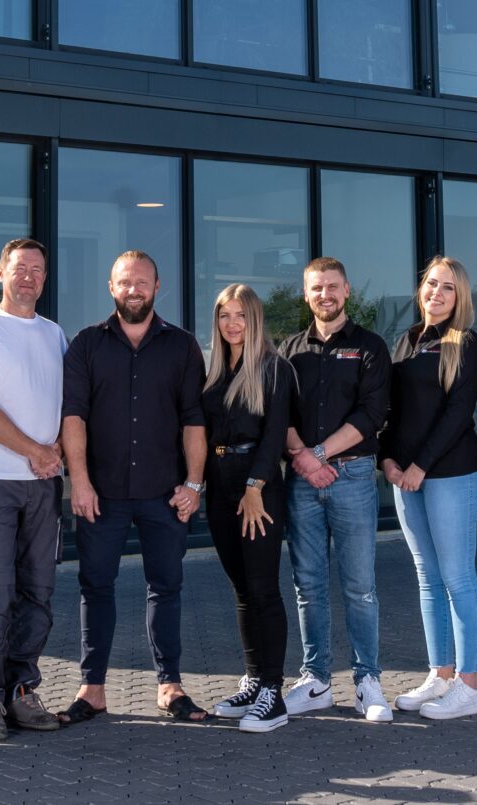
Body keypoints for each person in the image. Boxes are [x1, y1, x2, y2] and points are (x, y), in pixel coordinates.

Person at [60, 250, 211, 724]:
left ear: (157, 286)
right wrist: (79, 483)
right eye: (125, 282)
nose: (133, 290)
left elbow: (194, 420)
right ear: (111, 287)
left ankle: (169, 686)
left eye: (142, 282)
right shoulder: (86, 344)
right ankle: (93, 689)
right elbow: (73, 418)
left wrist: (194, 484)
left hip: (163, 494)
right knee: (95, 587)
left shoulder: (182, 346)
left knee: (166, 587)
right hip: (100, 495)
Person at [0, 238, 68, 740]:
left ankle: (22, 688)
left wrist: (57, 450)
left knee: (39, 592)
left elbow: (67, 404)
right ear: (1, 270)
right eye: (19, 267)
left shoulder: (54, 333)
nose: (28, 277)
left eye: (37, 270)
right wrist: (34, 449)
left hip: (44, 483)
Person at [277, 257, 394, 722]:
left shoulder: (370, 347)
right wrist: (303, 459)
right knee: (308, 586)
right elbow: (279, 415)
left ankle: (367, 681)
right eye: (315, 288)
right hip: (302, 480)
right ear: (306, 295)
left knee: (360, 587)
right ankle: (317, 680)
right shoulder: (290, 349)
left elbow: (372, 415)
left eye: (331, 286)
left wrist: (317, 455)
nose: (324, 295)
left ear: (347, 291)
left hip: (354, 477)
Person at [382, 257, 477, 721]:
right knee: (428, 578)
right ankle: (441, 674)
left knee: (457, 577)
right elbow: (389, 409)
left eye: (448, 288)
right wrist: (386, 458)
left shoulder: (464, 343)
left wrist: (420, 466)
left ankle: (469, 685)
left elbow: (457, 415)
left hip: (450, 474)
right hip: (404, 476)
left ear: (459, 296)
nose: (437, 293)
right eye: (432, 284)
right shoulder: (405, 340)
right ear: (420, 288)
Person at [200, 284, 300, 733]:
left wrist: (256, 485)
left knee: (263, 589)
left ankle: (273, 694)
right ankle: (254, 679)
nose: (232, 323)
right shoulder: (216, 371)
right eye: (224, 316)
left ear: (255, 319)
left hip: (257, 490)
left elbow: (275, 432)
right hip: (219, 489)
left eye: (240, 315)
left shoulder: (274, 369)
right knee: (241, 590)